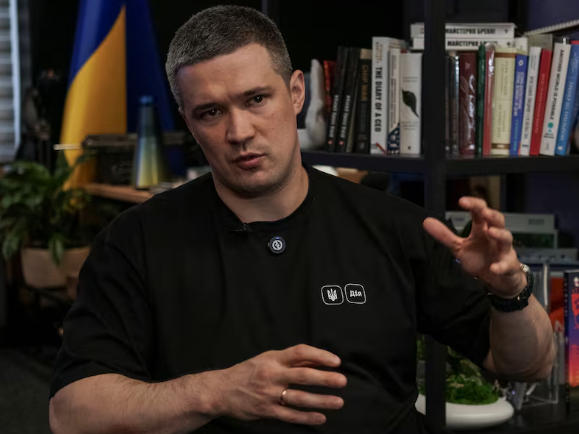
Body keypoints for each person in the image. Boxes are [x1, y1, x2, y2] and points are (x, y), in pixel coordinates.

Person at [49, 5, 555, 433]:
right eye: (211, 112)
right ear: (188, 121)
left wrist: (510, 292)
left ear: (296, 93)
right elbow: (71, 414)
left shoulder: (394, 226)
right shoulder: (135, 242)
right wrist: (217, 392)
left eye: (256, 99)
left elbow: (528, 363)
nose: (239, 132)